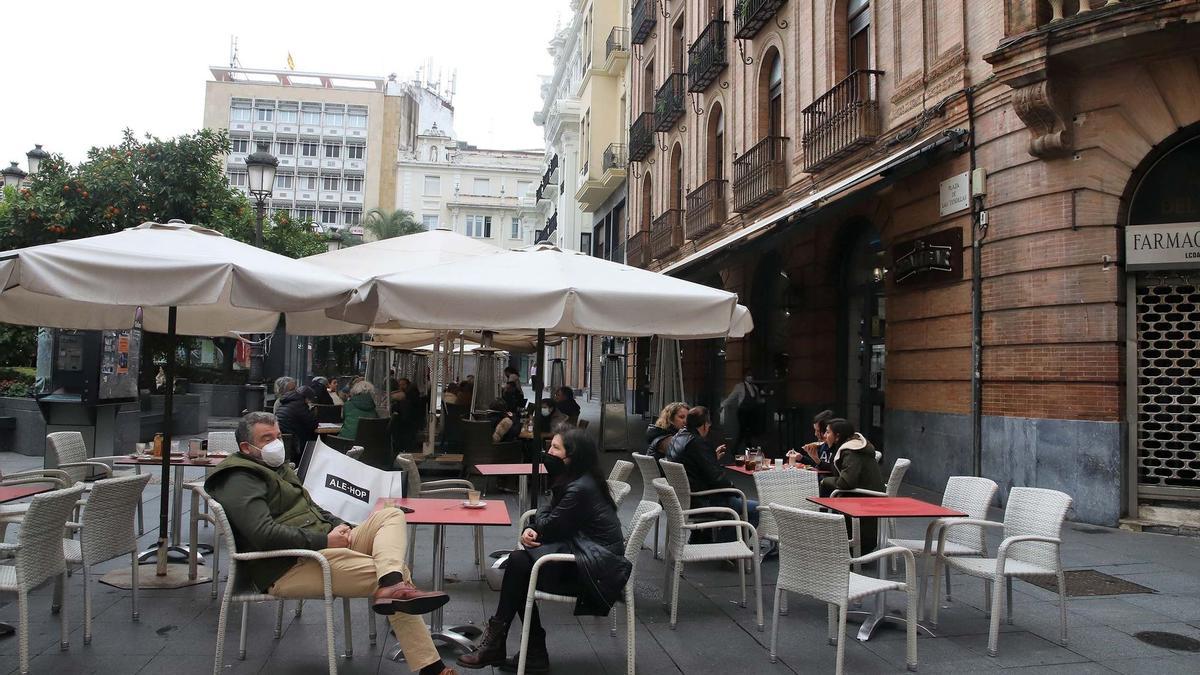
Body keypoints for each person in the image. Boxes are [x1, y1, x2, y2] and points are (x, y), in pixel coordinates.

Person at [205, 412, 457, 675]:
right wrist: (325, 539)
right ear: (246, 447)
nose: (276, 443)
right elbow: (263, 533)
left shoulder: (275, 468)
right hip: (290, 564)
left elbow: (313, 508)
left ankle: (391, 584)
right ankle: (432, 667)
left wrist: (341, 527)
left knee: (391, 515)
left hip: (322, 545)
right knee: (394, 575)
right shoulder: (239, 478)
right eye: (267, 438)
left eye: (278, 436)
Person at [457, 430, 629, 672]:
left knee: (518, 567)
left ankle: (513, 646)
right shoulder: (579, 479)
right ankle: (524, 651)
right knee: (519, 566)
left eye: (555, 448)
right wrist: (535, 527)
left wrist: (537, 525)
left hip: (596, 576)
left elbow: (549, 524)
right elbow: (552, 520)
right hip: (588, 559)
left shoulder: (579, 488)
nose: (548, 452)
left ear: (572, 456)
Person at [667, 406, 759, 530]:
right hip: (702, 500)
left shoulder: (677, 438)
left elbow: (696, 466)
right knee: (756, 509)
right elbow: (716, 478)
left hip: (684, 498)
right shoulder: (697, 443)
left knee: (738, 501)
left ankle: (707, 540)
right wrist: (733, 490)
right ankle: (730, 543)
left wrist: (711, 457)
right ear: (705, 425)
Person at [818, 418, 885, 553]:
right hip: (865, 495)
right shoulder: (850, 447)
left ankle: (829, 541)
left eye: (827, 432)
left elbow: (846, 482)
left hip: (865, 500)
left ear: (837, 436)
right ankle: (828, 540)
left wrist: (825, 481)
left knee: (826, 487)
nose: (824, 436)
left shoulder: (851, 451)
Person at [722, 369, 765, 455]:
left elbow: (757, 400)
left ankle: (746, 449)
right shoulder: (740, 386)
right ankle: (737, 449)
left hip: (752, 413)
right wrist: (723, 404)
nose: (750, 377)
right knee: (743, 431)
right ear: (744, 376)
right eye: (748, 375)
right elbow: (732, 396)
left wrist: (764, 399)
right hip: (743, 412)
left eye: (751, 375)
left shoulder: (755, 388)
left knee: (749, 431)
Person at [276, 384, 317, 460]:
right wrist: (311, 410)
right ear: (306, 398)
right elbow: (313, 424)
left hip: (283, 438)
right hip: (294, 442)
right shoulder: (300, 405)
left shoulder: (288, 401)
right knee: (313, 438)